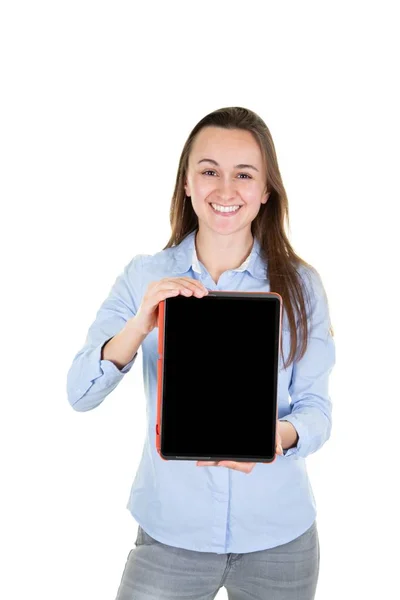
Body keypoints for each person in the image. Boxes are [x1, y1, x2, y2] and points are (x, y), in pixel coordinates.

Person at [66, 106, 336, 600]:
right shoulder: (144, 276)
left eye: (244, 175)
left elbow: (317, 410)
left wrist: (276, 437)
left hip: (280, 540)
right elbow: (78, 393)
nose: (225, 189)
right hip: (171, 537)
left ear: (265, 192)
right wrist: (140, 323)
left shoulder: (301, 286)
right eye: (209, 171)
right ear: (187, 184)